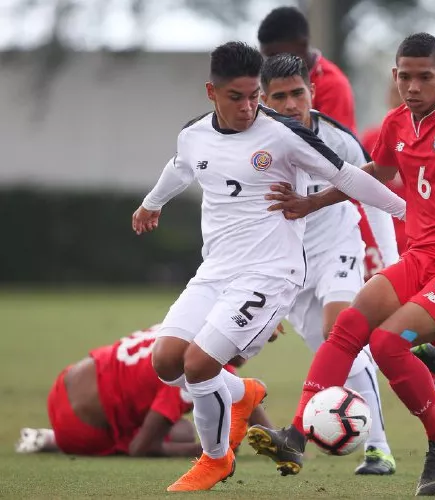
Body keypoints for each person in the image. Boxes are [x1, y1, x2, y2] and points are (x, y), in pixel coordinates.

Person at [247, 33, 435, 496]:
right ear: (395, 77)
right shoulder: (397, 124)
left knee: (386, 345)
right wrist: (314, 202)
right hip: (422, 257)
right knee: (347, 327)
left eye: (425, 77)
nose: (414, 86)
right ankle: (297, 435)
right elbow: (374, 176)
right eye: (405, 76)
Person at [131, 41, 405, 492]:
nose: (249, 107)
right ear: (211, 92)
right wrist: (151, 203)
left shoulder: (282, 134)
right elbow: (181, 167)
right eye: (236, 97)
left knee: (199, 366)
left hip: (272, 274)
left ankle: (215, 460)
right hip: (215, 271)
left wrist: (405, 213)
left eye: (255, 96)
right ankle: (243, 394)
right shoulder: (194, 134)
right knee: (166, 362)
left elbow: (351, 177)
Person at [259, 53, 396, 475]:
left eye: (297, 93)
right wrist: (261, 293)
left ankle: (378, 448)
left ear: (312, 92)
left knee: (339, 332)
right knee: (333, 354)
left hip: (337, 245)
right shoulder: (253, 145)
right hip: (288, 267)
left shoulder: (338, 139)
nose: (290, 104)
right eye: (278, 96)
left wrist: (392, 264)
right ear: (263, 100)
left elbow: (373, 195)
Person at [257, 5, 396, 280]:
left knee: (366, 296)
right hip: (299, 209)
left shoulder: (333, 86)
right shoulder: (276, 84)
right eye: (266, 57)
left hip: (336, 207)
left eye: (275, 55)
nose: (270, 64)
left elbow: (329, 157)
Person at [361, 81, 435, 431]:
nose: (405, 97)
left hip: (422, 246)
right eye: (396, 90)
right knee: (374, 327)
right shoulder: (376, 138)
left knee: (390, 331)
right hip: (384, 246)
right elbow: (364, 193)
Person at [15, 325, 247, 458]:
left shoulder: (184, 325)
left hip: (64, 385)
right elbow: (141, 448)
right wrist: (208, 451)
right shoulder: (195, 365)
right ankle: (57, 439)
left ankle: (50, 437)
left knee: (180, 429)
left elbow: (246, 397)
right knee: (181, 435)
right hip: (79, 428)